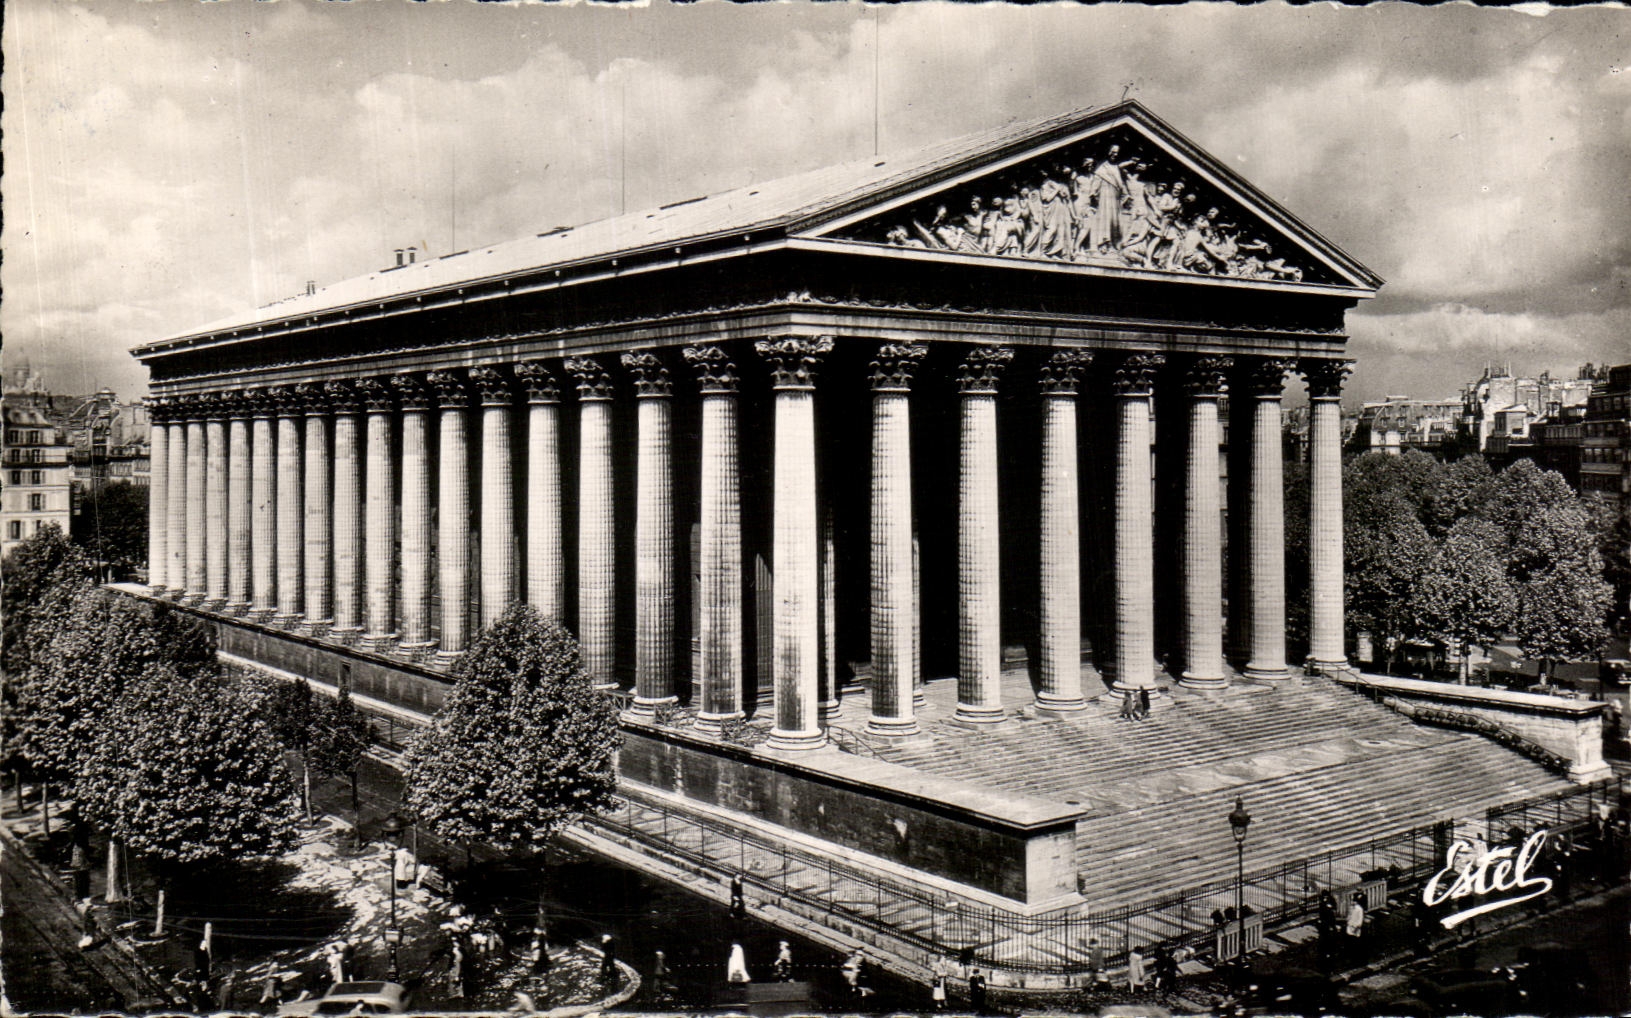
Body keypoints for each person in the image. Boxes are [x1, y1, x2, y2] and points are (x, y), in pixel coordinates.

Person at [1346, 893, 1366, 959]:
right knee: (1350, 941)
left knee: (1356, 941)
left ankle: (1357, 955)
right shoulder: (1351, 908)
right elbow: (1349, 916)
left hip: (1355, 927)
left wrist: (1357, 926)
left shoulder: (1359, 909)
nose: (1352, 902)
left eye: (1353, 901)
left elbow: (1360, 919)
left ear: (1356, 902)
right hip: (1350, 926)